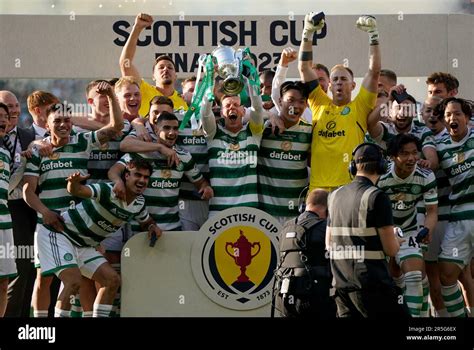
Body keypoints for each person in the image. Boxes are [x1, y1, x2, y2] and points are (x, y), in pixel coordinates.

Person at [32, 158, 160, 317]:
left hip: (85, 245)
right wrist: (73, 183)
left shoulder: (139, 203)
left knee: (112, 280)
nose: (142, 180)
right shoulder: (108, 190)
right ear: (126, 176)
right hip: (60, 235)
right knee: (73, 282)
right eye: (137, 175)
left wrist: (152, 227)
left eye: (146, 177)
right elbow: (77, 191)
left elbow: (146, 221)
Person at [298, 13, 381, 191]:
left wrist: (373, 35)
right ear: (329, 85)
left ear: (352, 85)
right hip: (318, 188)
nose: (339, 83)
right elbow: (304, 67)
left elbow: (374, 72)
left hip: (348, 188)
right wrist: (307, 33)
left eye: (343, 79)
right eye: (335, 79)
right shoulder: (319, 102)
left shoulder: (360, 106)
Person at [326, 142, 408, 318]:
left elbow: (329, 243)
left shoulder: (334, 195)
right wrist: (397, 239)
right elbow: (391, 249)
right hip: (372, 285)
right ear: (382, 166)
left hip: (340, 284)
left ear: (353, 167)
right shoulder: (377, 197)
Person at [113, 111, 213, 232]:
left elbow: (200, 183)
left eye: (175, 129)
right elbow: (114, 171)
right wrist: (118, 181)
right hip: (140, 228)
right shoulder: (140, 153)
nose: (172, 132)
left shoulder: (184, 157)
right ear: (155, 129)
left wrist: (206, 187)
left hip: (172, 227)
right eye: (166, 128)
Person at [378, 134, 438, 317]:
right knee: (391, 281)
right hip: (383, 231)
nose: (411, 158)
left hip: (410, 230)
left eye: (415, 153)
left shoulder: (426, 175)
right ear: (393, 156)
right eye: (404, 153)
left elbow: (432, 212)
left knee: (414, 278)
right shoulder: (381, 176)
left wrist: (426, 229)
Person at [0, 91, 40, 317]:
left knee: (23, 270)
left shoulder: (29, 136)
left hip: (23, 211)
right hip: (7, 210)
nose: (12, 111)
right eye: (7, 107)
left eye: (15, 106)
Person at [200, 76, 264, 216]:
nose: (232, 108)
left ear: (243, 111)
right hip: (219, 213)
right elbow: (205, 113)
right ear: (222, 112)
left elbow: (258, 108)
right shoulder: (212, 134)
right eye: (227, 106)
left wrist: (252, 78)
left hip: (249, 211)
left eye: (236, 105)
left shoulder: (253, 133)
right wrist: (210, 81)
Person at [435, 97, 474, 317]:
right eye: (448, 115)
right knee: (447, 275)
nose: (452, 118)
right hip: (458, 217)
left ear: (467, 117)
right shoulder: (440, 145)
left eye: (457, 113)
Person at [273, 189, 336, 319]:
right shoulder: (325, 228)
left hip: (284, 297)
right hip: (313, 298)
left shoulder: (286, 227)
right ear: (328, 209)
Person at [258, 81, 312, 224]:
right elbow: (246, 113)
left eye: (301, 102)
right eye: (291, 100)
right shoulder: (265, 128)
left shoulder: (310, 131)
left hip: (297, 215)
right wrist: (270, 115)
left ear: (306, 105)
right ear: (280, 101)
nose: (296, 106)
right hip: (265, 214)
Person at [119, 13, 187, 116]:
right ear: (153, 76)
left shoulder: (184, 101)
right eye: (161, 67)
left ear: (176, 76)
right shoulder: (143, 89)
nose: (165, 69)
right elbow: (125, 63)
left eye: (170, 67)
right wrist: (137, 28)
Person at [0, 103, 16, 317]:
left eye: (5, 116)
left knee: (3, 282)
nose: (2, 120)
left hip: (4, 224)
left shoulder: (5, 153)